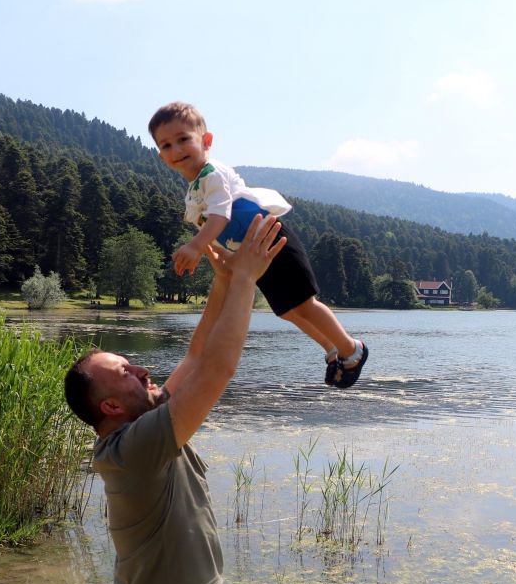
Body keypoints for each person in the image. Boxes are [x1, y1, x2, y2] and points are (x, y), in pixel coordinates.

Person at [64, 216, 285, 584]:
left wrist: (223, 282)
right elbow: (217, 369)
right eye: (126, 372)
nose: (142, 370)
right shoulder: (135, 449)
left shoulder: (140, 431)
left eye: (131, 363)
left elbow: (197, 356)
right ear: (110, 406)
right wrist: (246, 279)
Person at [149, 101, 368, 389]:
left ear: (206, 141)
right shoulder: (194, 192)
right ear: (161, 156)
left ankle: (352, 349)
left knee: (304, 303)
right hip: (254, 254)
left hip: (273, 240)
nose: (176, 149)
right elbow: (211, 230)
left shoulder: (212, 174)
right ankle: (331, 349)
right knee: (287, 310)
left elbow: (220, 216)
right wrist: (216, 258)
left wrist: (195, 247)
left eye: (183, 139)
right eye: (166, 145)